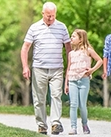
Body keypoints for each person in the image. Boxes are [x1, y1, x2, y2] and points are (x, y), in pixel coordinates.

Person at [20, 1, 71, 135]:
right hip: (39, 68)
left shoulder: (62, 27)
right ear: (43, 13)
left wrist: (69, 68)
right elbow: (25, 48)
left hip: (57, 68)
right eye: (48, 15)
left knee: (56, 96)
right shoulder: (34, 28)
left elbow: (68, 48)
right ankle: (42, 125)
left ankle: (55, 123)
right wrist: (25, 66)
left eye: (53, 15)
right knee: (39, 99)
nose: (51, 18)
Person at [64, 29, 102, 135]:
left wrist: (91, 70)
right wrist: (66, 83)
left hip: (83, 80)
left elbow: (100, 60)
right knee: (73, 104)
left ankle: (85, 124)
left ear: (80, 40)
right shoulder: (71, 53)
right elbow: (68, 68)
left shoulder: (88, 51)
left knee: (82, 105)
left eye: (74, 36)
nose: (71, 38)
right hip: (72, 80)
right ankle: (73, 127)